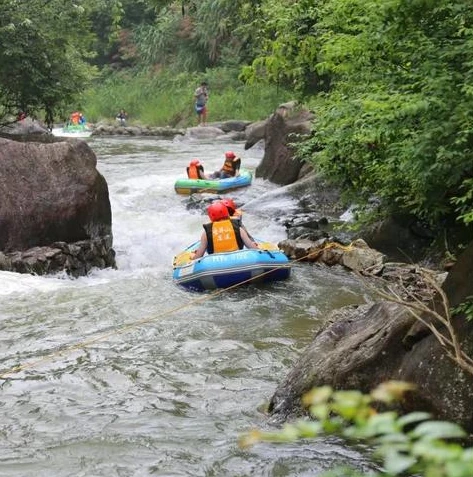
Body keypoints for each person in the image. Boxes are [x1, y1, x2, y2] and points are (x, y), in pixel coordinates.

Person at [191, 201, 258, 259]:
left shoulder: (206, 233)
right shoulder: (238, 228)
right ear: (227, 213)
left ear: (211, 216)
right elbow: (252, 248)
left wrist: (193, 257)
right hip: (239, 260)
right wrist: (255, 245)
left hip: (215, 264)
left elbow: (199, 255)